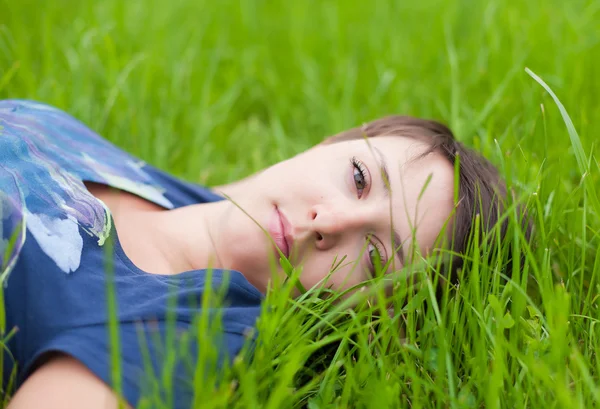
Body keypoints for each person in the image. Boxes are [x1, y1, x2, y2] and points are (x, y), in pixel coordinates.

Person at [0, 99, 507, 408]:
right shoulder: (167, 193)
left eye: (375, 256)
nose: (327, 223)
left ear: (373, 316)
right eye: (358, 178)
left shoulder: (182, 331)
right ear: (336, 141)